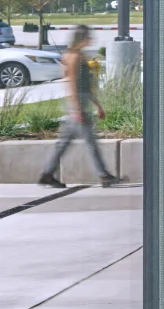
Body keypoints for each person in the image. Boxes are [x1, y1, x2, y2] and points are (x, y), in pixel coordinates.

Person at [38, 25, 117, 188]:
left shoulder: (77, 55)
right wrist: (77, 109)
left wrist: (98, 105)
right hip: (77, 104)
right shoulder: (73, 56)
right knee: (90, 142)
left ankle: (47, 174)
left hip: (80, 102)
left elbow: (85, 86)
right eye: (89, 37)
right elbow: (73, 84)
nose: (91, 40)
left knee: (64, 143)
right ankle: (104, 175)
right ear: (82, 38)